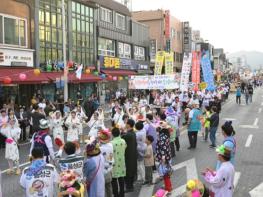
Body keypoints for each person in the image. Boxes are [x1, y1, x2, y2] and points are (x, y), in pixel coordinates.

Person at [156, 121, 172, 192]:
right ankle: (168, 186)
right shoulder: (166, 135)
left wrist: (163, 158)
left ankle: (168, 188)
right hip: (168, 156)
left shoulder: (162, 137)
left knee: (165, 173)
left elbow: (163, 148)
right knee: (167, 173)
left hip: (164, 158)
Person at [122, 119, 137, 192]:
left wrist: (123, 130)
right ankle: (130, 186)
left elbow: (121, 138)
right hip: (133, 154)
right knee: (131, 170)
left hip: (128, 155)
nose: (125, 123)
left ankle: (129, 187)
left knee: (128, 171)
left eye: (126, 123)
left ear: (128, 125)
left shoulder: (128, 135)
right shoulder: (132, 133)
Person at [111, 127, 127, 197]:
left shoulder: (111, 143)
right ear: (119, 133)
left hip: (114, 163)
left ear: (112, 134)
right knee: (121, 179)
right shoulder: (123, 141)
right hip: (122, 162)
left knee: (114, 180)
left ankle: (116, 194)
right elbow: (125, 147)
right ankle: (122, 194)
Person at [99, 129, 114, 197]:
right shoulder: (110, 145)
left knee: (102, 188)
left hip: (102, 170)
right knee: (109, 186)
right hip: (110, 168)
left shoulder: (100, 148)